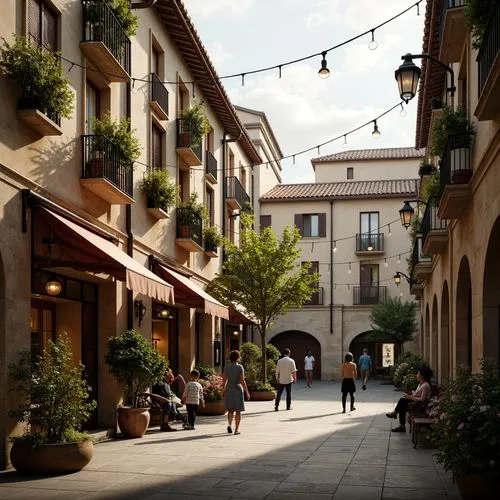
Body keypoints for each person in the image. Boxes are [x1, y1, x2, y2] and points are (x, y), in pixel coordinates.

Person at [386, 365, 433, 432]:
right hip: (415, 402)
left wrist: (410, 397)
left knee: (402, 403)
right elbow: (417, 394)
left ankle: (397, 417)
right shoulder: (421, 384)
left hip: (420, 405)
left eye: (418, 374)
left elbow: (422, 399)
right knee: (402, 402)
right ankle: (396, 416)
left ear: (422, 376)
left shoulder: (425, 386)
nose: (416, 375)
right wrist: (411, 394)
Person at [222, 350, 250, 435]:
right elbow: (242, 380)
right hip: (238, 389)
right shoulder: (240, 367)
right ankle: (236, 430)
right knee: (238, 411)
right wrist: (247, 392)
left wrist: (223, 390)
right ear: (238, 357)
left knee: (230, 410)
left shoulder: (226, 367)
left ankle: (229, 425)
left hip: (229, 389)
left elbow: (224, 381)